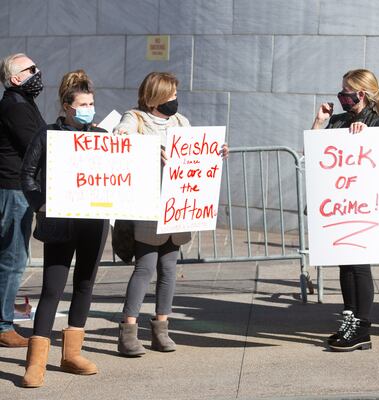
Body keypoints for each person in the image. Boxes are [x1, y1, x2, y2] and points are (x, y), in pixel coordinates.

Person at [115, 72, 228, 357]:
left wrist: (216, 152)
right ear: (157, 97)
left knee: (168, 269)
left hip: (177, 205)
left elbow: (194, 154)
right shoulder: (135, 119)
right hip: (148, 205)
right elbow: (120, 140)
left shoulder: (180, 122)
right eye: (172, 95)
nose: (176, 99)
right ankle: (128, 331)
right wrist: (150, 150)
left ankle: (161, 328)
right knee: (145, 268)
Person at [20, 70, 108, 387]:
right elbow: (27, 174)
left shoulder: (102, 136)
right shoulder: (47, 135)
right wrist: (40, 204)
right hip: (59, 223)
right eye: (83, 103)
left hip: (94, 224)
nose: (88, 108)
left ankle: (72, 354)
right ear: (67, 106)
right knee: (52, 289)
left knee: (85, 285)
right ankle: (36, 363)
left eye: (92, 103)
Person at [311, 69, 379, 352]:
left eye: (346, 93)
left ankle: (363, 327)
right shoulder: (337, 121)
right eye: (340, 93)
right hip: (340, 206)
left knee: (360, 266)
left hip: (362, 207)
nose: (342, 98)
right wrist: (319, 123)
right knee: (345, 265)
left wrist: (364, 136)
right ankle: (348, 321)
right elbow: (315, 155)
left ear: (361, 94)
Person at [0, 53, 46, 347]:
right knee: (13, 259)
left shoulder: (22, 102)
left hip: (18, 188)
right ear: (16, 78)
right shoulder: (15, 106)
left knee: (13, 256)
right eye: (31, 69)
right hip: (14, 188)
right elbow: (37, 144)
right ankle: (4, 326)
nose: (37, 71)